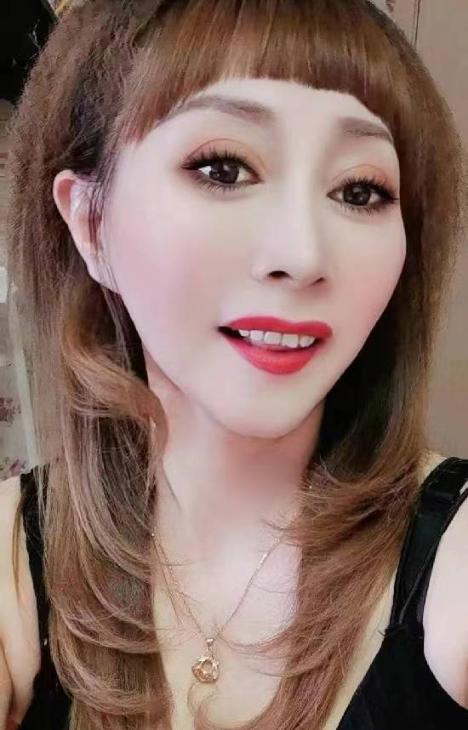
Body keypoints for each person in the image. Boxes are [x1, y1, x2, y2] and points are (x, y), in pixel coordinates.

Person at [1, 0, 467, 728]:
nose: (302, 255)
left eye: (360, 191)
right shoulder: (12, 557)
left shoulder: (454, 559)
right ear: (90, 223)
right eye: (223, 168)